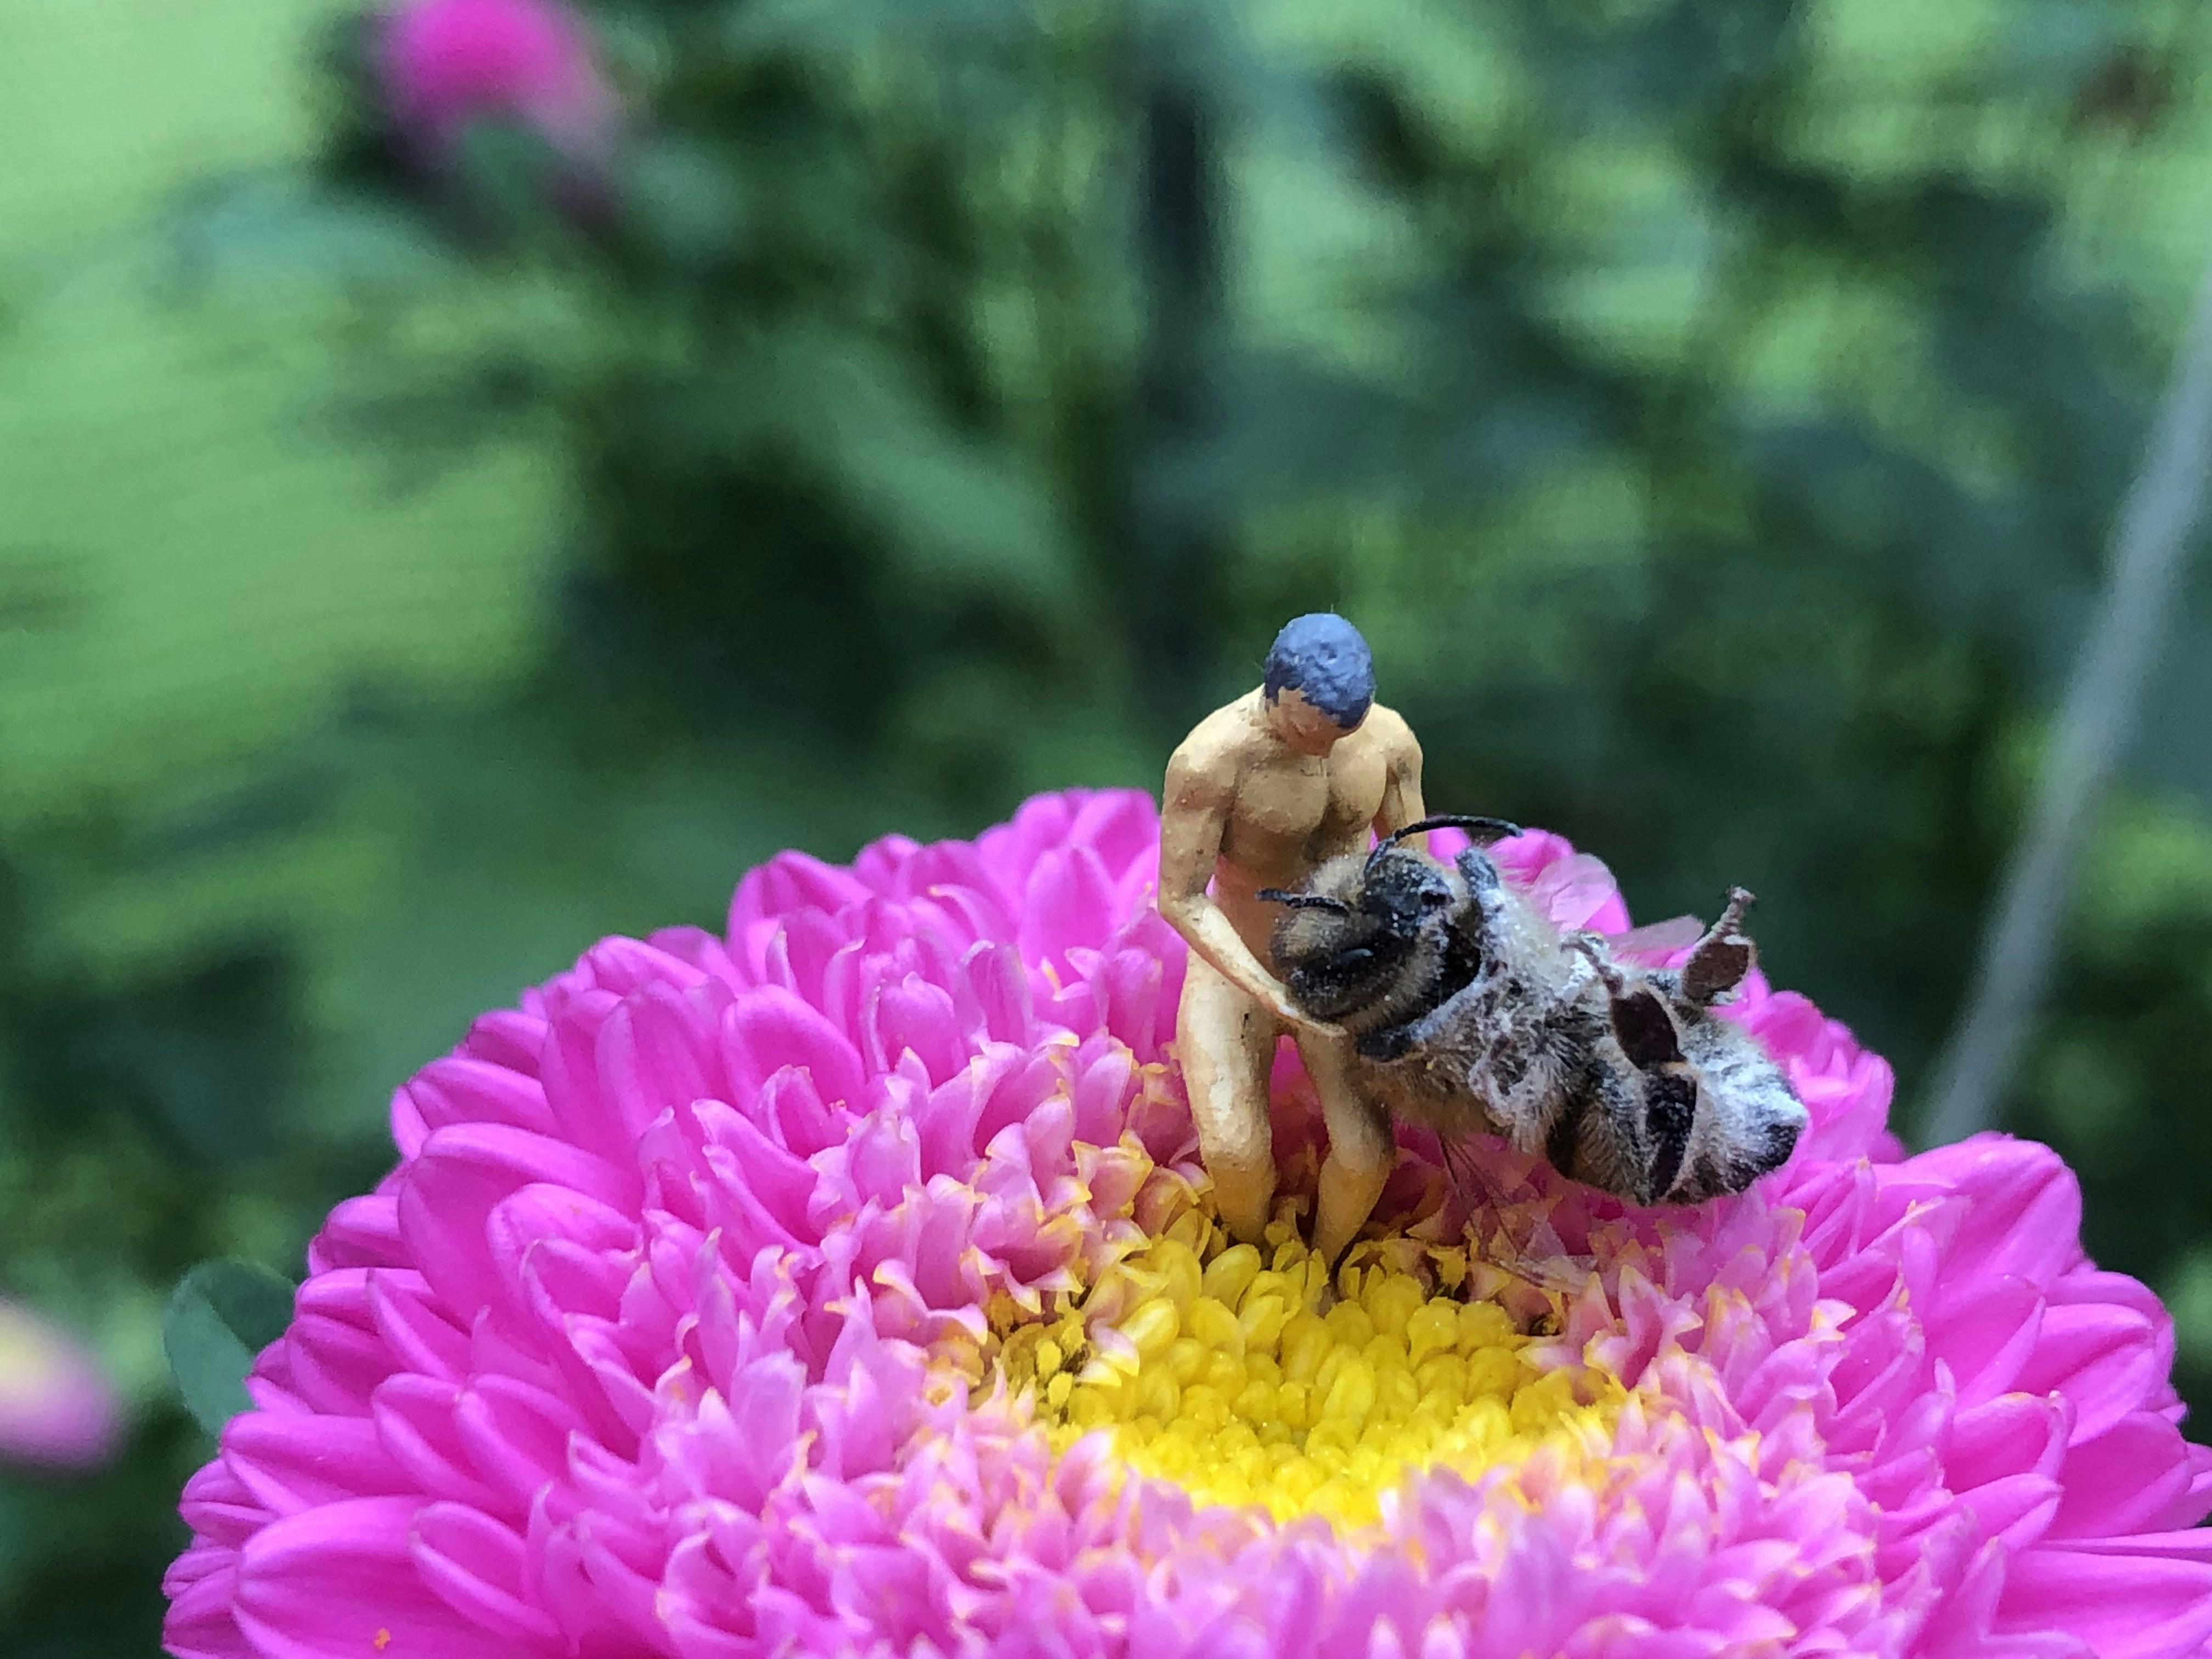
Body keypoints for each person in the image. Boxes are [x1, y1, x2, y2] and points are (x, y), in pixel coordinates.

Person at [1158, 613, 1428, 1267]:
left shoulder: (1389, 745)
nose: (1321, 748)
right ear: (1277, 694)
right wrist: (1271, 993)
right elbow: (1178, 899)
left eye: (1341, 732)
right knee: (1234, 1153)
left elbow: (1413, 863)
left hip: (1336, 977)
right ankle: (1247, 1259)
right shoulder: (1209, 760)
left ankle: (1321, 1268)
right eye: (1308, 731)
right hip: (1238, 970)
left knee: (1367, 1155)